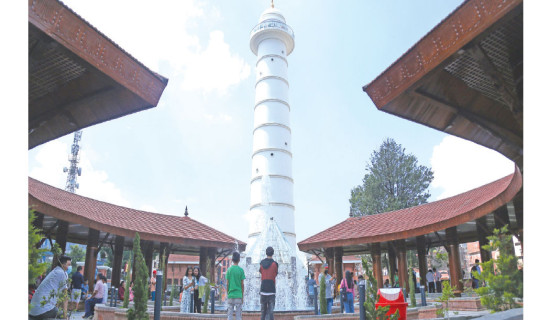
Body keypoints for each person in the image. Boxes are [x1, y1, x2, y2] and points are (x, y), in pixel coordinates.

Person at [29, 255, 72, 319]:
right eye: (68, 265)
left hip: (32, 311)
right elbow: (65, 297)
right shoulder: (62, 273)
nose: (69, 267)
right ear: (63, 265)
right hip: (44, 311)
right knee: (65, 315)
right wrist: (65, 316)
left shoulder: (54, 272)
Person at [259, 246, 278, 320]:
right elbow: (275, 274)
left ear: (266, 253)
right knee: (271, 313)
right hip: (271, 290)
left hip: (263, 290)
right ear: (273, 253)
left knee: (263, 312)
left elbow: (261, 272)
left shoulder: (261, 263)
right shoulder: (275, 264)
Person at [226, 252, 246, 320]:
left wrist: (228, 293)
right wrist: (242, 296)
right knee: (238, 316)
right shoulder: (241, 270)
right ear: (239, 259)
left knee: (229, 316)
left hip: (231, 295)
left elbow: (227, 284)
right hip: (238, 295)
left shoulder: (229, 270)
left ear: (232, 259)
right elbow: (242, 284)